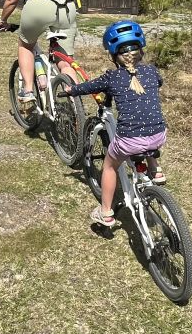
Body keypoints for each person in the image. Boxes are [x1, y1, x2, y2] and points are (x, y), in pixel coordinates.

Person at [56, 20, 167, 227]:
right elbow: (158, 83)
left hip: (130, 140)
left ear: (113, 55)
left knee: (109, 166)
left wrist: (71, 90)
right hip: (159, 135)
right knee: (148, 133)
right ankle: (156, 171)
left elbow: (88, 86)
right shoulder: (151, 71)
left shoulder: (112, 77)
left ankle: (106, 212)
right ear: (140, 51)